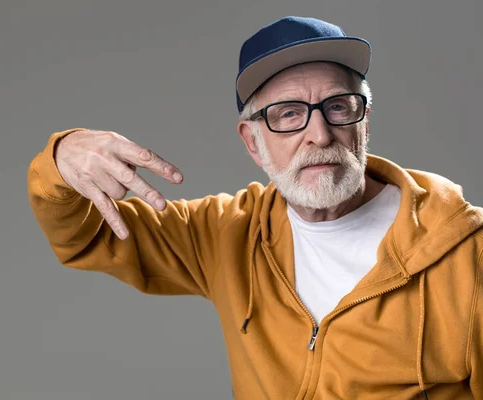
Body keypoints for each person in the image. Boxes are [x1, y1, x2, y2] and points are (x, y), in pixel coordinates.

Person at [27, 16, 483, 399]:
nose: (319, 135)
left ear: (362, 121)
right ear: (252, 142)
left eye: (338, 107)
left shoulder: (468, 256)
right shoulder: (227, 232)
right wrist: (62, 157)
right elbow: (90, 236)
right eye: (288, 114)